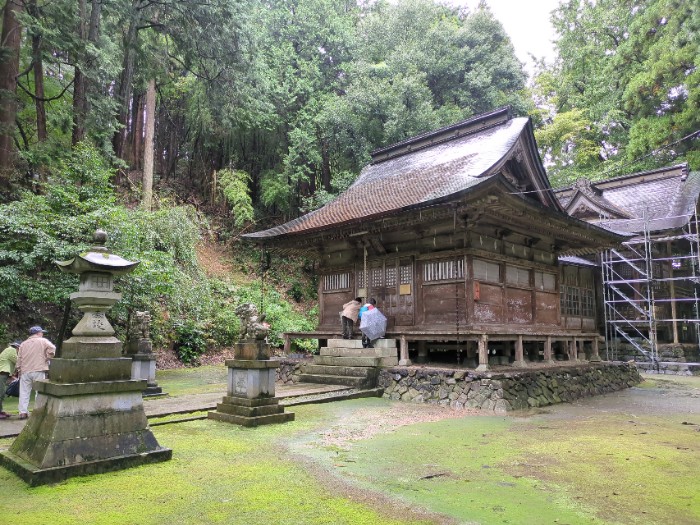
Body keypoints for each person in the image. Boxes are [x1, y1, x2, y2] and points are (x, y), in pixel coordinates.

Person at [17, 326, 55, 420]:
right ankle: (38, 411)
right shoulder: (43, 341)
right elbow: (52, 348)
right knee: (39, 392)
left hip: (25, 371)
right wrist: (48, 357)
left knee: (24, 392)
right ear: (38, 333)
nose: (42, 334)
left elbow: (19, 358)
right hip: (39, 369)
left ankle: (23, 413)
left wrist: (19, 369)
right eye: (42, 332)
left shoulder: (23, 344)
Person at [0, 340, 20, 419]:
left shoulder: (8, 350)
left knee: (1, 393)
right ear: (18, 347)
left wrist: (13, 376)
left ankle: (0, 411)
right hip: (1, 373)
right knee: (0, 393)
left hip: (4, 374)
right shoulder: (11, 350)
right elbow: (18, 362)